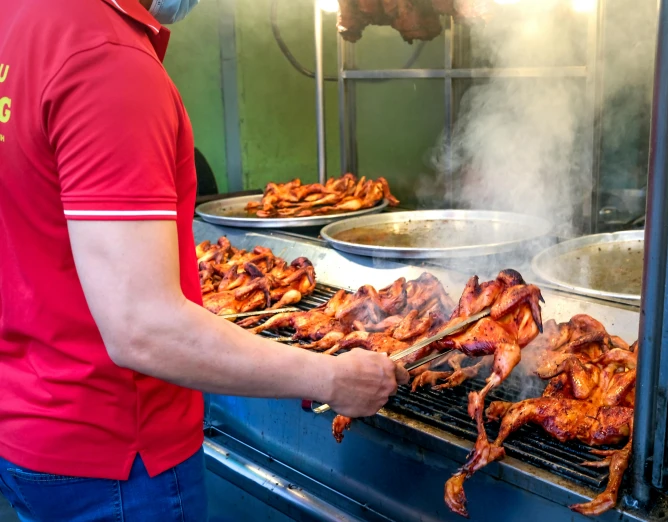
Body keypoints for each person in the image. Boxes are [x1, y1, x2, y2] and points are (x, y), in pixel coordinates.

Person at [0, 1, 408, 521]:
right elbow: (143, 327)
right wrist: (328, 378)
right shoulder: (107, 59)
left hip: (29, 431)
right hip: (119, 461)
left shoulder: (18, 19)